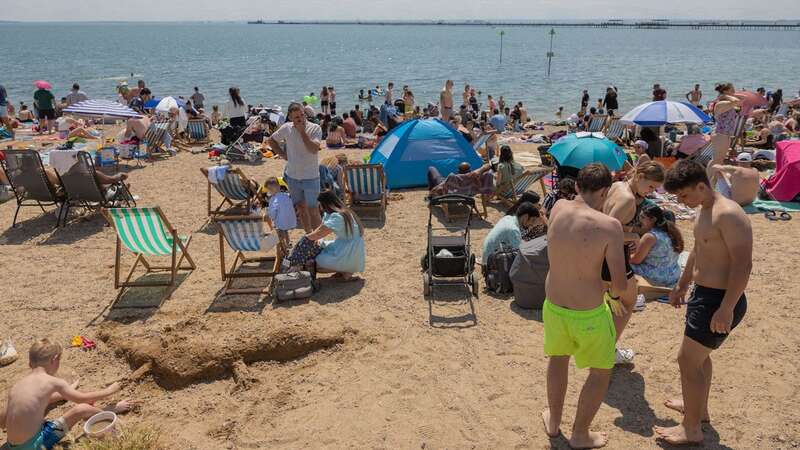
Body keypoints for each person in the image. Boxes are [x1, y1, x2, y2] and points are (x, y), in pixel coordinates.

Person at [654, 159, 751, 445]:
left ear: (701, 186)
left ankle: (691, 428)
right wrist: (682, 285)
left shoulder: (729, 214)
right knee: (699, 359)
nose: (682, 201)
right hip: (702, 294)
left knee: (687, 361)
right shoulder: (702, 211)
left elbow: (742, 266)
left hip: (720, 299)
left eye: (684, 195)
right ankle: (699, 409)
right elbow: (697, 251)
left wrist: (726, 308)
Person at [542, 163, 627, 450]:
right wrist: (613, 297)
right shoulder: (610, 226)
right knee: (601, 371)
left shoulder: (558, 208)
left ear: (577, 186)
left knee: (558, 358)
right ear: (605, 191)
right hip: (588, 312)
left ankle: (554, 422)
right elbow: (619, 284)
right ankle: (580, 434)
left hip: (554, 305)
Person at [0, 339, 131, 450]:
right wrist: (110, 390)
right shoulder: (53, 382)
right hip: (35, 446)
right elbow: (82, 399)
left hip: (11, 446)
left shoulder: (17, 387)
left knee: (42, 409)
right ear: (55, 359)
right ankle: (109, 411)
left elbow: (2, 422)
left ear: (30, 363)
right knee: (82, 409)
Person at [602, 161, 666, 363]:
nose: (650, 192)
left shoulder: (617, 185)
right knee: (628, 303)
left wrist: (628, 232)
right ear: (639, 176)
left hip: (604, 257)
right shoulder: (628, 199)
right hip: (612, 258)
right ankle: (607, 352)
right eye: (650, 187)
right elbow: (606, 233)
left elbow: (609, 221)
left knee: (613, 303)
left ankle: (603, 347)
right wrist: (633, 238)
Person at [268, 102, 323, 233]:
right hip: (293, 177)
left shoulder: (315, 128)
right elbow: (271, 140)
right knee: (301, 209)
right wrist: (282, 154)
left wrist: (302, 132)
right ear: (291, 118)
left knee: (314, 210)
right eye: (297, 117)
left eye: (302, 115)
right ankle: (309, 236)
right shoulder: (287, 128)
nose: (300, 119)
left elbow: (314, 149)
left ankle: (319, 239)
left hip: (311, 177)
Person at [301, 190, 365, 281]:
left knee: (317, 262)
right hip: (350, 247)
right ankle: (345, 271)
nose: (320, 207)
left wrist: (305, 239)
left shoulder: (337, 216)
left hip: (350, 250)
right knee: (323, 247)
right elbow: (320, 228)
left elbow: (320, 233)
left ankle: (346, 269)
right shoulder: (341, 212)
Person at [630, 204, 683, 287]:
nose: (640, 220)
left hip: (658, 276)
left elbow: (636, 260)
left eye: (643, 217)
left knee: (622, 265)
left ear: (653, 219)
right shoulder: (671, 232)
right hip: (673, 274)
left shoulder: (650, 236)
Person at [263, 177, 296, 251]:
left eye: (270, 190)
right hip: (291, 220)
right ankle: (288, 242)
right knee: (284, 229)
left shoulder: (274, 199)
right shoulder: (286, 195)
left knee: (279, 231)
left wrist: (269, 215)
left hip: (281, 223)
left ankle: (284, 247)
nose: (270, 192)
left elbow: (273, 212)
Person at [711, 83, 741, 164]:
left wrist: (726, 95)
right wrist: (724, 96)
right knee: (716, 159)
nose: (734, 92)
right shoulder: (721, 103)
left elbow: (740, 102)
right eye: (732, 90)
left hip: (725, 134)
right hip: (720, 134)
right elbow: (737, 101)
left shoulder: (727, 104)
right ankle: (710, 175)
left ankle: (715, 175)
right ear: (725, 91)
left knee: (720, 159)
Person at [428, 161, 493, 197]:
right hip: (466, 192)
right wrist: (480, 170)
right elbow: (489, 165)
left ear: (458, 171)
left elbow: (438, 188)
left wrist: (430, 194)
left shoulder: (453, 177)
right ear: (470, 170)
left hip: (448, 184)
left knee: (431, 169)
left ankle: (430, 189)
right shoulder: (474, 178)